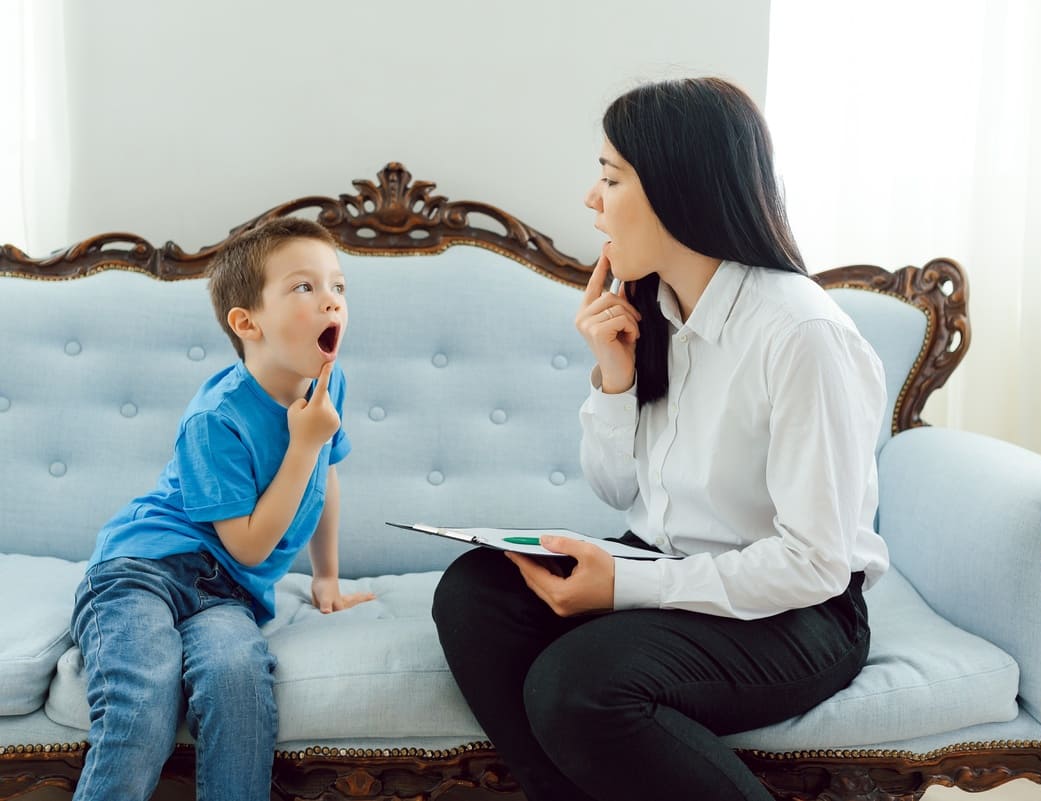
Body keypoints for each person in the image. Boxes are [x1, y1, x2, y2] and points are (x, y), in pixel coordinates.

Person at [432, 76, 888, 801]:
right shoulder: (655, 310)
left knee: (577, 686)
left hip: (798, 612)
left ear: (679, 189)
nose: (591, 199)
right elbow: (618, 490)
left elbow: (815, 562)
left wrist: (626, 585)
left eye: (609, 178)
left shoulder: (801, 334)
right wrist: (613, 378)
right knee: (475, 593)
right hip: (673, 566)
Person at [69, 218, 374, 801]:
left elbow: (325, 479)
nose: (331, 300)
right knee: (143, 703)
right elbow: (249, 545)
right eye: (304, 287)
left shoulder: (327, 389)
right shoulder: (217, 418)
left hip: (227, 594)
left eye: (338, 286)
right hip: (144, 571)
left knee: (238, 687)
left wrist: (328, 578)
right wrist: (305, 441)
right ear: (246, 322)